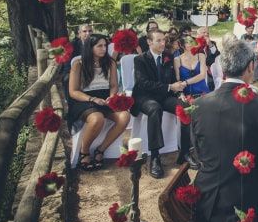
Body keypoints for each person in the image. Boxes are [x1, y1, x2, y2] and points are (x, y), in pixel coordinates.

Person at [190, 39, 258, 222]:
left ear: (223, 68)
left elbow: (198, 153)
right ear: (250, 67)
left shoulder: (199, 105)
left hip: (209, 204)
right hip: (251, 207)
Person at [132, 29, 191, 178]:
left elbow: (171, 80)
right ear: (149, 42)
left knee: (185, 108)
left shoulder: (168, 57)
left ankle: (184, 152)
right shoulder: (140, 59)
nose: (163, 43)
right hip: (145, 97)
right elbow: (143, 83)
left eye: (163, 40)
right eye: (158, 40)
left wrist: (179, 93)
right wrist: (170, 87)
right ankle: (155, 157)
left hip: (164, 96)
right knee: (154, 109)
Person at [68, 34, 130, 171]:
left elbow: (114, 85)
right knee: (97, 118)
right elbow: (73, 91)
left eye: (105, 46)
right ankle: (84, 152)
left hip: (105, 98)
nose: (104, 49)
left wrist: (111, 97)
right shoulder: (78, 64)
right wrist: (92, 99)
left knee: (124, 116)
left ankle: (100, 150)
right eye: (99, 46)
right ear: (90, 48)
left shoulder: (110, 62)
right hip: (84, 99)